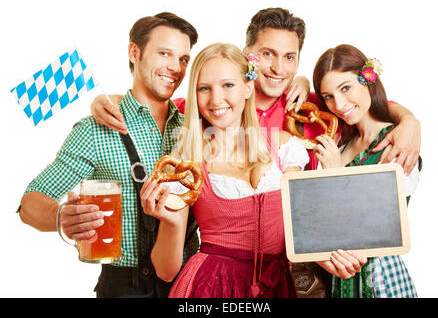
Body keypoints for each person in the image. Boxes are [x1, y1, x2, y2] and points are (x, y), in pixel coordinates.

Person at [88, 7, 421, 297]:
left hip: (287, 282)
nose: (278, 67)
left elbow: (360, 101)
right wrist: (110, 100)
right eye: (268, 54)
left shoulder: (305, 114)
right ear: (249, 58)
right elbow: (153, 108)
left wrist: (409, 121)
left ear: (245, 86)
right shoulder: (191, 141)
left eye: (289, 57)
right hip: (208, 284)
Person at [138, 42, 367, 298]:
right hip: (211, 287)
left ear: (248, 87)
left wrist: (330, 259)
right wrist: (169, 222)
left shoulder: (285, 147)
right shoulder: (187, 161)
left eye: (228, 85)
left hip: (277, 286)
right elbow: (166, 271)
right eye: (204, 88)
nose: (216, 99)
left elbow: (300, 228)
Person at [18, 13, 199, 298]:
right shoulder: (95, 130)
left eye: (183, 59)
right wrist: (60, 216)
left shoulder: (196, 124)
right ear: (134, 52)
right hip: (125, 287)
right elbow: (30, 203)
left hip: (194, 284)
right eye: (164, 53)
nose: (175, 67)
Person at [312, 44, 420, 298]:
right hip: (339, 277)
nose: (338, 104)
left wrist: (336, 173)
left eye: (346, 88)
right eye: (328, 96)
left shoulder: (397, 141)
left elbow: (384, 224)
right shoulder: (341, 145)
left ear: (368, 80)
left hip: (380, 277)